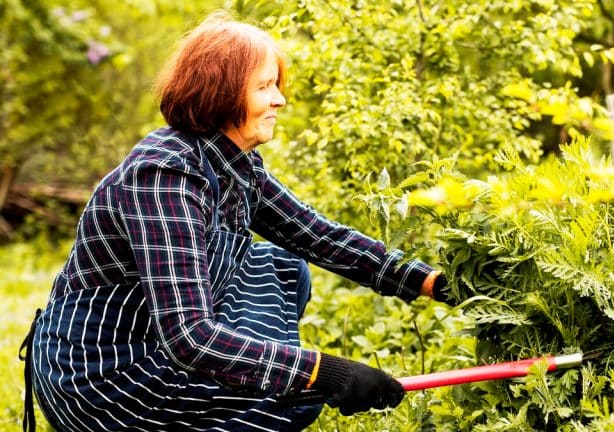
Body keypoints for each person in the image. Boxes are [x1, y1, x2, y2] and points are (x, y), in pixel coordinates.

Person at [18, 10, 453, 432]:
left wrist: (433, 283)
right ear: (222, 93)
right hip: (106, 378)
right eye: (265, 87)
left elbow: (320, 237)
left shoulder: (236, 165)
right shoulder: (163, 177)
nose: (279, 99)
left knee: (283, 268)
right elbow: (189, 335)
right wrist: (322, 371)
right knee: (291, 399)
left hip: (161, 348)